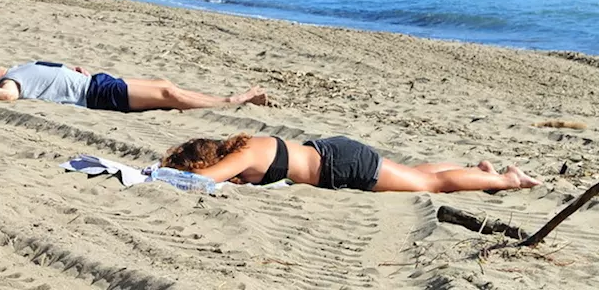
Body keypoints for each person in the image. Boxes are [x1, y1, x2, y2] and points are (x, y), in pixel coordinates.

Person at [160, 134, 542, 193]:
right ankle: (480, 174)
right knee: (416, 174)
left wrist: (158, 177)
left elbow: (204, 182)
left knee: (430, 185)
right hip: (334, 152)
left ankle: (509, 180)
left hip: (340, 165)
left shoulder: (241, 157)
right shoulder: (247, 145)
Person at [0, 57, 266, 112]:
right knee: (170, 94)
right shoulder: (8, 81)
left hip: (95, 81)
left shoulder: (17, 66)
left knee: (165, 85)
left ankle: (227, 99)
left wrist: (72, 69)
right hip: (95, 94)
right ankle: (234, 100)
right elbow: (7, 97)